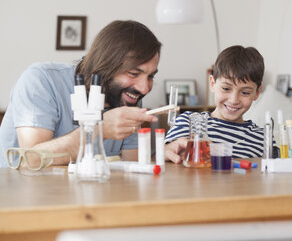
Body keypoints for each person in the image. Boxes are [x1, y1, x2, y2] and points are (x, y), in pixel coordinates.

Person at [0, 20, 161, 167]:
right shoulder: (41, 80)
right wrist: (100, 129)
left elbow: (132, 167)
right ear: (106, 66)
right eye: (133, 73)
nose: (144, 88)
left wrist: (162, 155)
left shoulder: (127, 98)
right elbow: (32, 159)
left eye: (151, 76)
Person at [165, 45, 268, 163]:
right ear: (213, 84)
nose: (234, 100)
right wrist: (164, 151)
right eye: (226, 88)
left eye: (245, 92)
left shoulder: (262, 138)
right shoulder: (188, 122)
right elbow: (164, 154)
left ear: (257, 93)